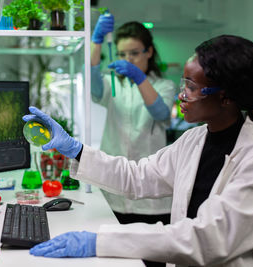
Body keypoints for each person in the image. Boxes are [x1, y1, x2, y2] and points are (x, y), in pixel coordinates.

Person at [23, 35, 253, 267]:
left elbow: (208, 238)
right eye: (183, 84)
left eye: (191, 87)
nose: (182, 95)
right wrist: (75, 149)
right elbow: (136, 177)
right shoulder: (194, 140)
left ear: (226, 97)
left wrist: (100, 241)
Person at [90, 15, 176, 227]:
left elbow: (161, 114)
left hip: (152, 197)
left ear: (149, 51)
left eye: (135, 53)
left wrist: (139, 78)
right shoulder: (112, 85)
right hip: (114, 193)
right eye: (122, 54)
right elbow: (91, 79)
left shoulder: (164, 85)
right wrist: (97, 41)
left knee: (153, 255)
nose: (128, 59)